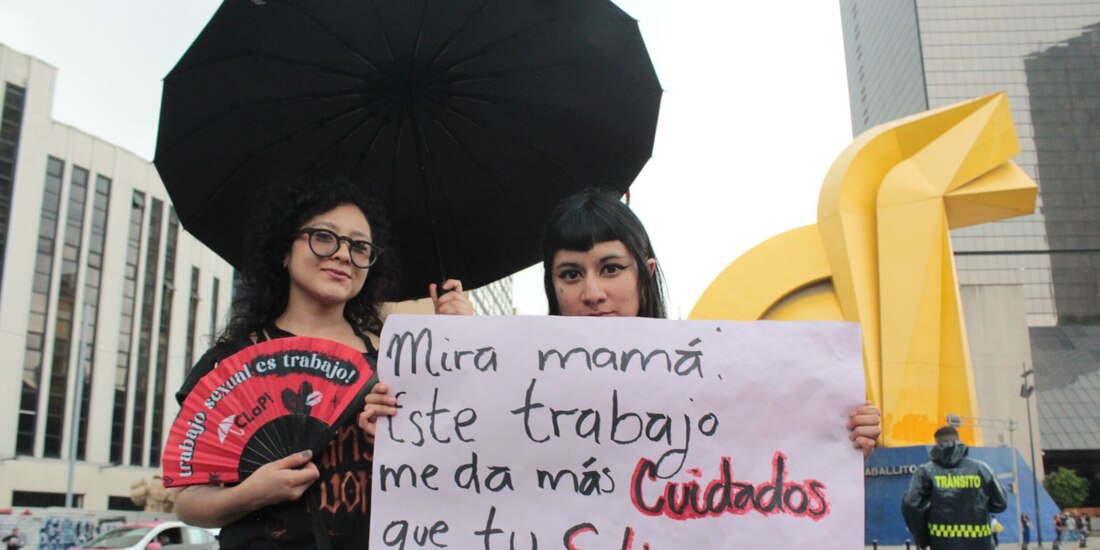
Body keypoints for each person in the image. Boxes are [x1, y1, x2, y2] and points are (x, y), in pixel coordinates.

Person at [364, 189, 883, 455]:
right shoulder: (510, 381)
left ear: (645, 273)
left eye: (611, 268)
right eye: (571, 274)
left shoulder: (715, 376)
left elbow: (767, 462)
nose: (592, 293)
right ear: (552, 285)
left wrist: (837, 435)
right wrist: (407, 409)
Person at [173, 176, 399, 549]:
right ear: (284, 251)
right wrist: (251, 494)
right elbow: (187, 501)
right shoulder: (231, 362)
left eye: (360, 246)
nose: (344, 255)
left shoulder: (394, 359)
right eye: (324, 236)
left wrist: (458, 341)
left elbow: (450, 463)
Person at [901, 425, 1008, 550]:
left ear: (936, 443)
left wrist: (923, 539)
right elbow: (1000, 503)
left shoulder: (925, 471)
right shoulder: (981, 469)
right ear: (959, 441)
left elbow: (910, 504)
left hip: (941, 544)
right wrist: (978, 506)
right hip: (980, 544)